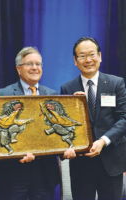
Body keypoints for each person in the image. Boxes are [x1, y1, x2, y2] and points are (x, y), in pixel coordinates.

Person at [0, 47, 75, 200]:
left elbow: (56, 129)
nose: (34, 68)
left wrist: (66, 149)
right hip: (13, 175)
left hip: (45, 174)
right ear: (18, 69)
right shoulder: (2, 95)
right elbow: (0, 134)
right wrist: (17, 154)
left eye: (38, 64)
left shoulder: (53, 95)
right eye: (29, 64)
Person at [60, 36, 126, 200]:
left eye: (92, 54)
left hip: (111, 162)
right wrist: (76, 107)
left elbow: (123, 118)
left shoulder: (116, 83)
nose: (88, 60)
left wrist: (103, 140)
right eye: (82, 56)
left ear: (100, 56)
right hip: (81, 165)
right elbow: (65, 124)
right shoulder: (67, 88)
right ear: (75, 60)